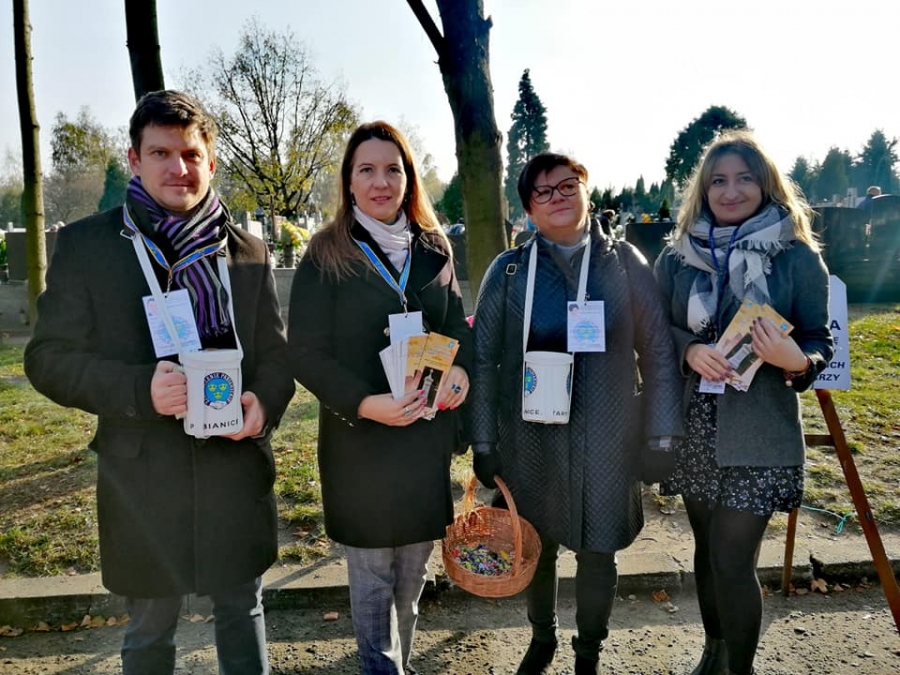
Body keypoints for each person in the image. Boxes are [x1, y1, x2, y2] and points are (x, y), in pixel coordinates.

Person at [24, 90, 295, 675]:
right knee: (149, 628)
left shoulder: (248, 252)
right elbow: (47, 359)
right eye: (161, 153)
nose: (179, 168)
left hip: (233, 468)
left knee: (242, 610)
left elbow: (276, 357)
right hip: (143, 477)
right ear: (134, 159)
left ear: (211, 162)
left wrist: (263, 405)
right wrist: (137, 389)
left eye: (191, 154)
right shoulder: (89, 246)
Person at [468, 152, 683, 675]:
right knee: (533, 546)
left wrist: (661, 436)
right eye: (542, 192)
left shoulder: (624, 263)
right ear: (528, 210)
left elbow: (657, 351)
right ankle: (542, 638)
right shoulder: (510, 270)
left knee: (599, 550)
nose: (557, 197)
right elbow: (483, 359)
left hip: (607, 436)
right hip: (530, 437)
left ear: (587, 190)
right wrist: (484, 440)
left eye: (567, 185)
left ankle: (589, 652)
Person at [287, 121, 472, 674]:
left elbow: (456, 329)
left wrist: (460, 373)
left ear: (408, 178)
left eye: (393, 169)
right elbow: (305, 354)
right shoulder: (325, 253)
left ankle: (400, 664)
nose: (380, 182)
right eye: (366, 170)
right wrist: (367, 405)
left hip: (421, 441)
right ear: (348, 181)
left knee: (411, 579)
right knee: (372, 583)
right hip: (360, 445)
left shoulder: (434, 249)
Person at [653, 130, 834, 675]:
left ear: (766, 184)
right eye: (718, 181)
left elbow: (818, 340)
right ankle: (714, 654)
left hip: (760, 432)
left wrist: (795, 358)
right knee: (707, 552)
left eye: (744, 179)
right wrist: (690, 350)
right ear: (703, 191)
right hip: (695, 425)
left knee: (732, 559)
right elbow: (654, 331)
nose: (730, 192)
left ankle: (739, 669)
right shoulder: (679, 258)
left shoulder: (795, 256)